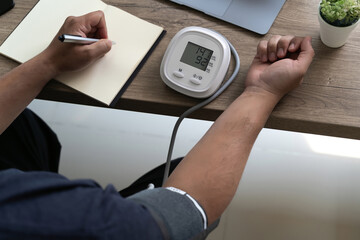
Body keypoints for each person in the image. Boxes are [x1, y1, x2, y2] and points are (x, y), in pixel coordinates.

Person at [0, 10, 314, 240]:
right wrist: (263, 92)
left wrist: (50, 61)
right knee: (184, 172)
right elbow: (186, 207)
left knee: (27, 133)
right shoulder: (68, 224)